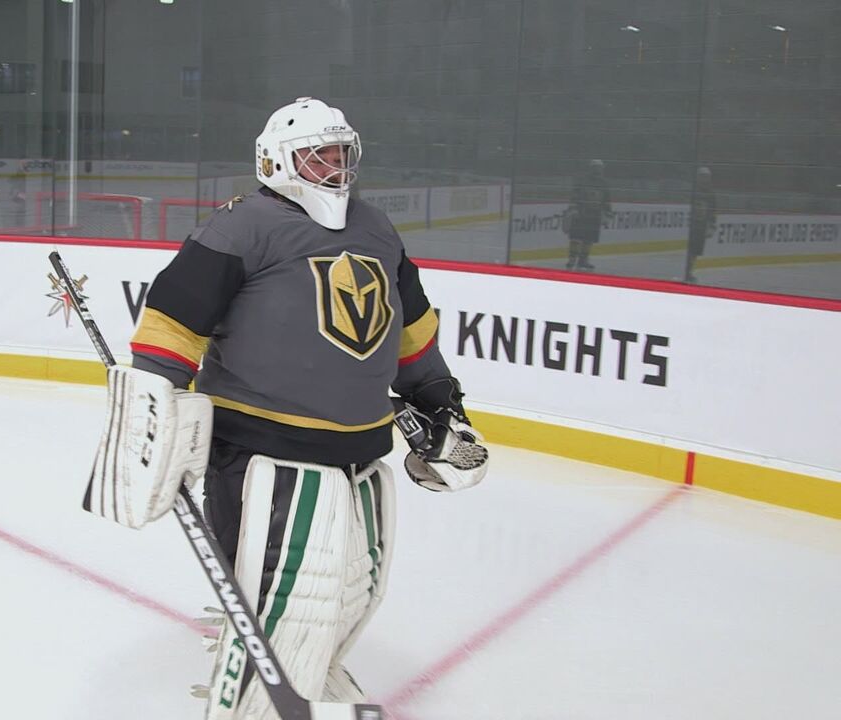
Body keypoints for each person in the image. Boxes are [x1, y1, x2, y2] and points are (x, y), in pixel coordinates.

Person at [83, 97, 489, 718]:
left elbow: (411, 329)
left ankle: (309, 682)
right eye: (317, 155)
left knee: (351, 595)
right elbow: (172, 322)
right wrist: (152, 410)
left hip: (360, 451)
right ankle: (249, 705)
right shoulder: (241, 226)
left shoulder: (376, 228)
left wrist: (437, 401)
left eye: (341, 153)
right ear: (276, 160)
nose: (334, 166)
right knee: (285, 606)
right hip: (262, 452)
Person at [564, 159, 612, 271]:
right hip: (581, 213)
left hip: (595, 214)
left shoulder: (604, 183)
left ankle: (583, 261)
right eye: (595, 167)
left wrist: (608, 214)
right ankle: (572, 259)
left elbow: (606, 200)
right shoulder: (582, 180)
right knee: (576, 238)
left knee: (589, 239)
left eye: (600, 168)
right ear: (591, 168)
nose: (598, 170)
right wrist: (574, 209)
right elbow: (574, 196)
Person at [685, 166, 716, 283]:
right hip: (692, 226)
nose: (704, 179)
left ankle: (689, 272)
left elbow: (713, 211)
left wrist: (712, 226)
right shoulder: (693, 191)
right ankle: (686, 272)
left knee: (695, 252)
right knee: (689, 251)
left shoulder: (711, 194)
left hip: (701, 227)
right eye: (702, 177)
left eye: (706, 177)